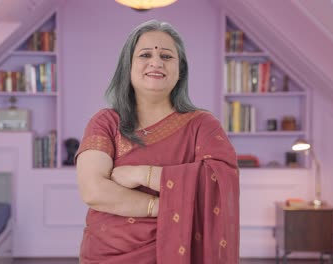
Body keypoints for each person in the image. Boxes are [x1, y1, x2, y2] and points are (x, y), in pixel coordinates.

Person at [75, 19, 239, 263]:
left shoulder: (202, 125)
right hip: (106, 253)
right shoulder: (106, 122)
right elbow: (93, 191)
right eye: (144, 54)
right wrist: (164, 206)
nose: (156, 62)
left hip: (178, 252)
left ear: (180, 69)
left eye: (166, 56)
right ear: (128, 66)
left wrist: (144, 175)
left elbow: (220, 183)